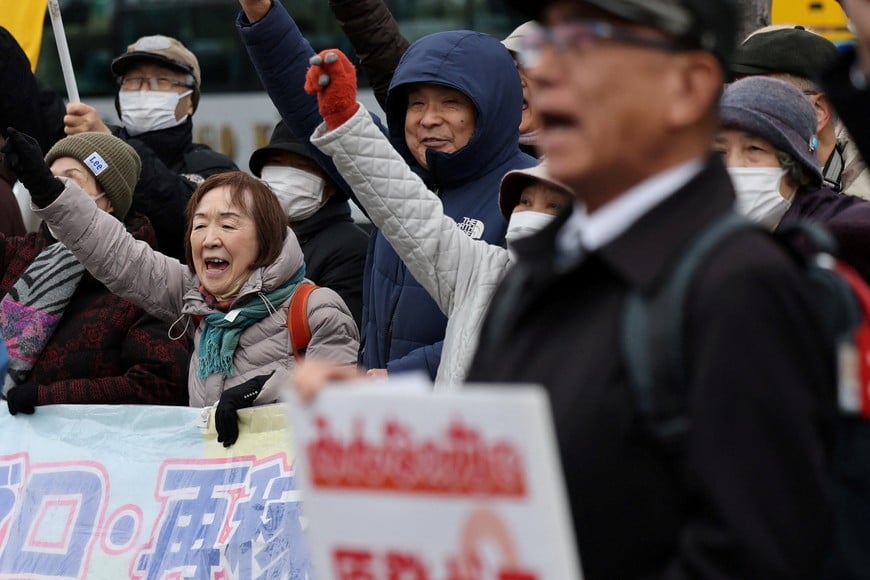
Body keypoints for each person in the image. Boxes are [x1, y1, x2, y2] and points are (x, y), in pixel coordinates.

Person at [462, 0, 836, 578]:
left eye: (589, 43)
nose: (550, 76)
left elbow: (755, 554)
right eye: (547, 45)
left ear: (689, 87)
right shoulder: (536, 270)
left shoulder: (740, 289)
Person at [236, 0, 537, 379]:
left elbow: (519, 323)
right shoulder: (394, 176)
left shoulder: (534, 192)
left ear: (492, 107)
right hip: (383, 411)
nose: (429, 119)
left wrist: (404, 375)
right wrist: (262, 16)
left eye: (450, 102)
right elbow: (320, 109)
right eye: (416, 104)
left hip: (463, 418)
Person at [2, 129, 359, 446]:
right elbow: (117, 252)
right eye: (200, 225)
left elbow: (339, 410)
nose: (210, 239)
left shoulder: (315, 308)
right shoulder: (191, 295)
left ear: (265, 238)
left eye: (228, 225)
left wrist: (264, 393)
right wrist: (49, 190)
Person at [305, 49, 571, 386]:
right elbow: (404, 207)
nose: (532, 215)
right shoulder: (480, 273)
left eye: (555, 207)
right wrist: (346, 121)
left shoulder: (614, 302)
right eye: (524, 201)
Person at [0, 131, 190, 414]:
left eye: (69, 181)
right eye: (44, 178)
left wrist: (49, 399)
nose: (51, 189)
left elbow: (158, 383)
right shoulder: (21, 254)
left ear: (109, 200)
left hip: (89, 454)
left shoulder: (146, 284)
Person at [62, 35, 238, 261]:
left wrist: (111, 147)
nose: (144, 90)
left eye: (161, 80)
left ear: (190, 102)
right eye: (133, 81)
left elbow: (181, 212)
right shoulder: (91, 150)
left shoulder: (216, 169)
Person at [326, 0, 542, 155]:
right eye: (510, 67)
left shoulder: (569, 177)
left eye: (535, 69)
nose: (429, 120)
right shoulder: (458, 152)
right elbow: (382, 50)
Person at [715, 75, 870, 281]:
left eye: (754, 149)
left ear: (797, 168)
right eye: (720, 152)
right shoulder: (701, 235)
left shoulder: (844, 231)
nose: (733, 165)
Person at [249, 121, 368, 328]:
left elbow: (334, 333)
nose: (285, 175)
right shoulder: (252, 237)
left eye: (301, 166)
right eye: (277, 162)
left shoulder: (352, 248)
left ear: (331, 186)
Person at [731, 25, 870, 198]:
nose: (735, 113)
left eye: (757, 99)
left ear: (817, 111)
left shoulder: (860, 213)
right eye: (731, 96)